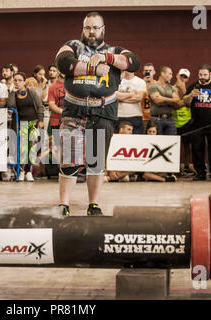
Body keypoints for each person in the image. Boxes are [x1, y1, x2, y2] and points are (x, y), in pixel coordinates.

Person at [55, 11, 140, 216]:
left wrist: (107, 58)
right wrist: (93, 69)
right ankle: (63, 205)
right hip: (74, 109)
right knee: (69, 160)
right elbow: (63, 62)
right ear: (83, 29)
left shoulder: (114, 50)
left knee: (96, 161)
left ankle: (93, 204)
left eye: (95, 28)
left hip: (103, 111)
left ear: (103, 29)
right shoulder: (74, 45)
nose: (91, 32)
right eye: (87, 27)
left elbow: (133, 61)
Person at [6, 72, 44, 182]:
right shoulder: (13, 95)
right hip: (20, 125)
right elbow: (11, 105)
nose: (17, 82)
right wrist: (13, 92)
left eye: (19, 80)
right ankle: (22, 171)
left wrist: (40, 120)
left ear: (24, 82)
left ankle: (29, 172)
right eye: (15, 80)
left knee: (31, 149)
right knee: (23, 149)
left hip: (33, 123)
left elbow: (40, 106)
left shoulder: (31, 93)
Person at [148, 66, 184, 135]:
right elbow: (158, 101)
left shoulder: (172, 88)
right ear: (162, 73)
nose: (171, 76)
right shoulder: (153, 86)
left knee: (172, 141)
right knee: (157, 142)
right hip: (156, 118)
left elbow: (177, 101)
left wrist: (163, 99)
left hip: (170, 118)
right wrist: (171, 101)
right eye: (170, 73)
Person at [172, 68, 195, 176]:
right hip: (174, 120)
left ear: (187, 79)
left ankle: (186, 166)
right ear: (177, 75)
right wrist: (185, 100)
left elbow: (190, 104)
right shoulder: (171, 88)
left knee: (187, 145)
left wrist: (185, 93)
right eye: (181, 76)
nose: (182, 78)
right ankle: (175, 167)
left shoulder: (189, 90)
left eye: (185, 77)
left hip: (186, 120)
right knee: (175, 146)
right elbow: (176, 104)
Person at [141, 63, 156, 134]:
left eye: (150, 70)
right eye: (146, 70)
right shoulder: (139, 83)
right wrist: (143, 83)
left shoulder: (158, 85)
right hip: (142, 116)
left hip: (154, 115)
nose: (148, 72)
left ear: (154, 72)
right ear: (143, 72)